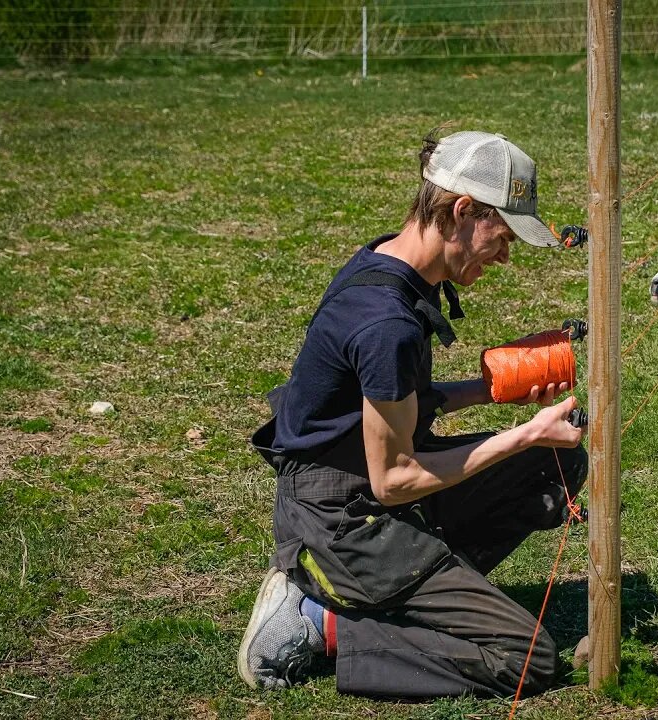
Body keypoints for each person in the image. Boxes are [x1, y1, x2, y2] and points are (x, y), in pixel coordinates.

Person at [238, 129, 588, 700]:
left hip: (352, 490)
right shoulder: (387, 324)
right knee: (527, 660)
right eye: (501, 238)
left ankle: (424, 591)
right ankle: (318, 621)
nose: (504, 256)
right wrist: (524, 435)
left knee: (556, 466)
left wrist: (488, 389)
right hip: (344, 523)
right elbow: (395, 478)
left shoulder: (387, 263)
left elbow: (384, 406)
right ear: (462, 210)